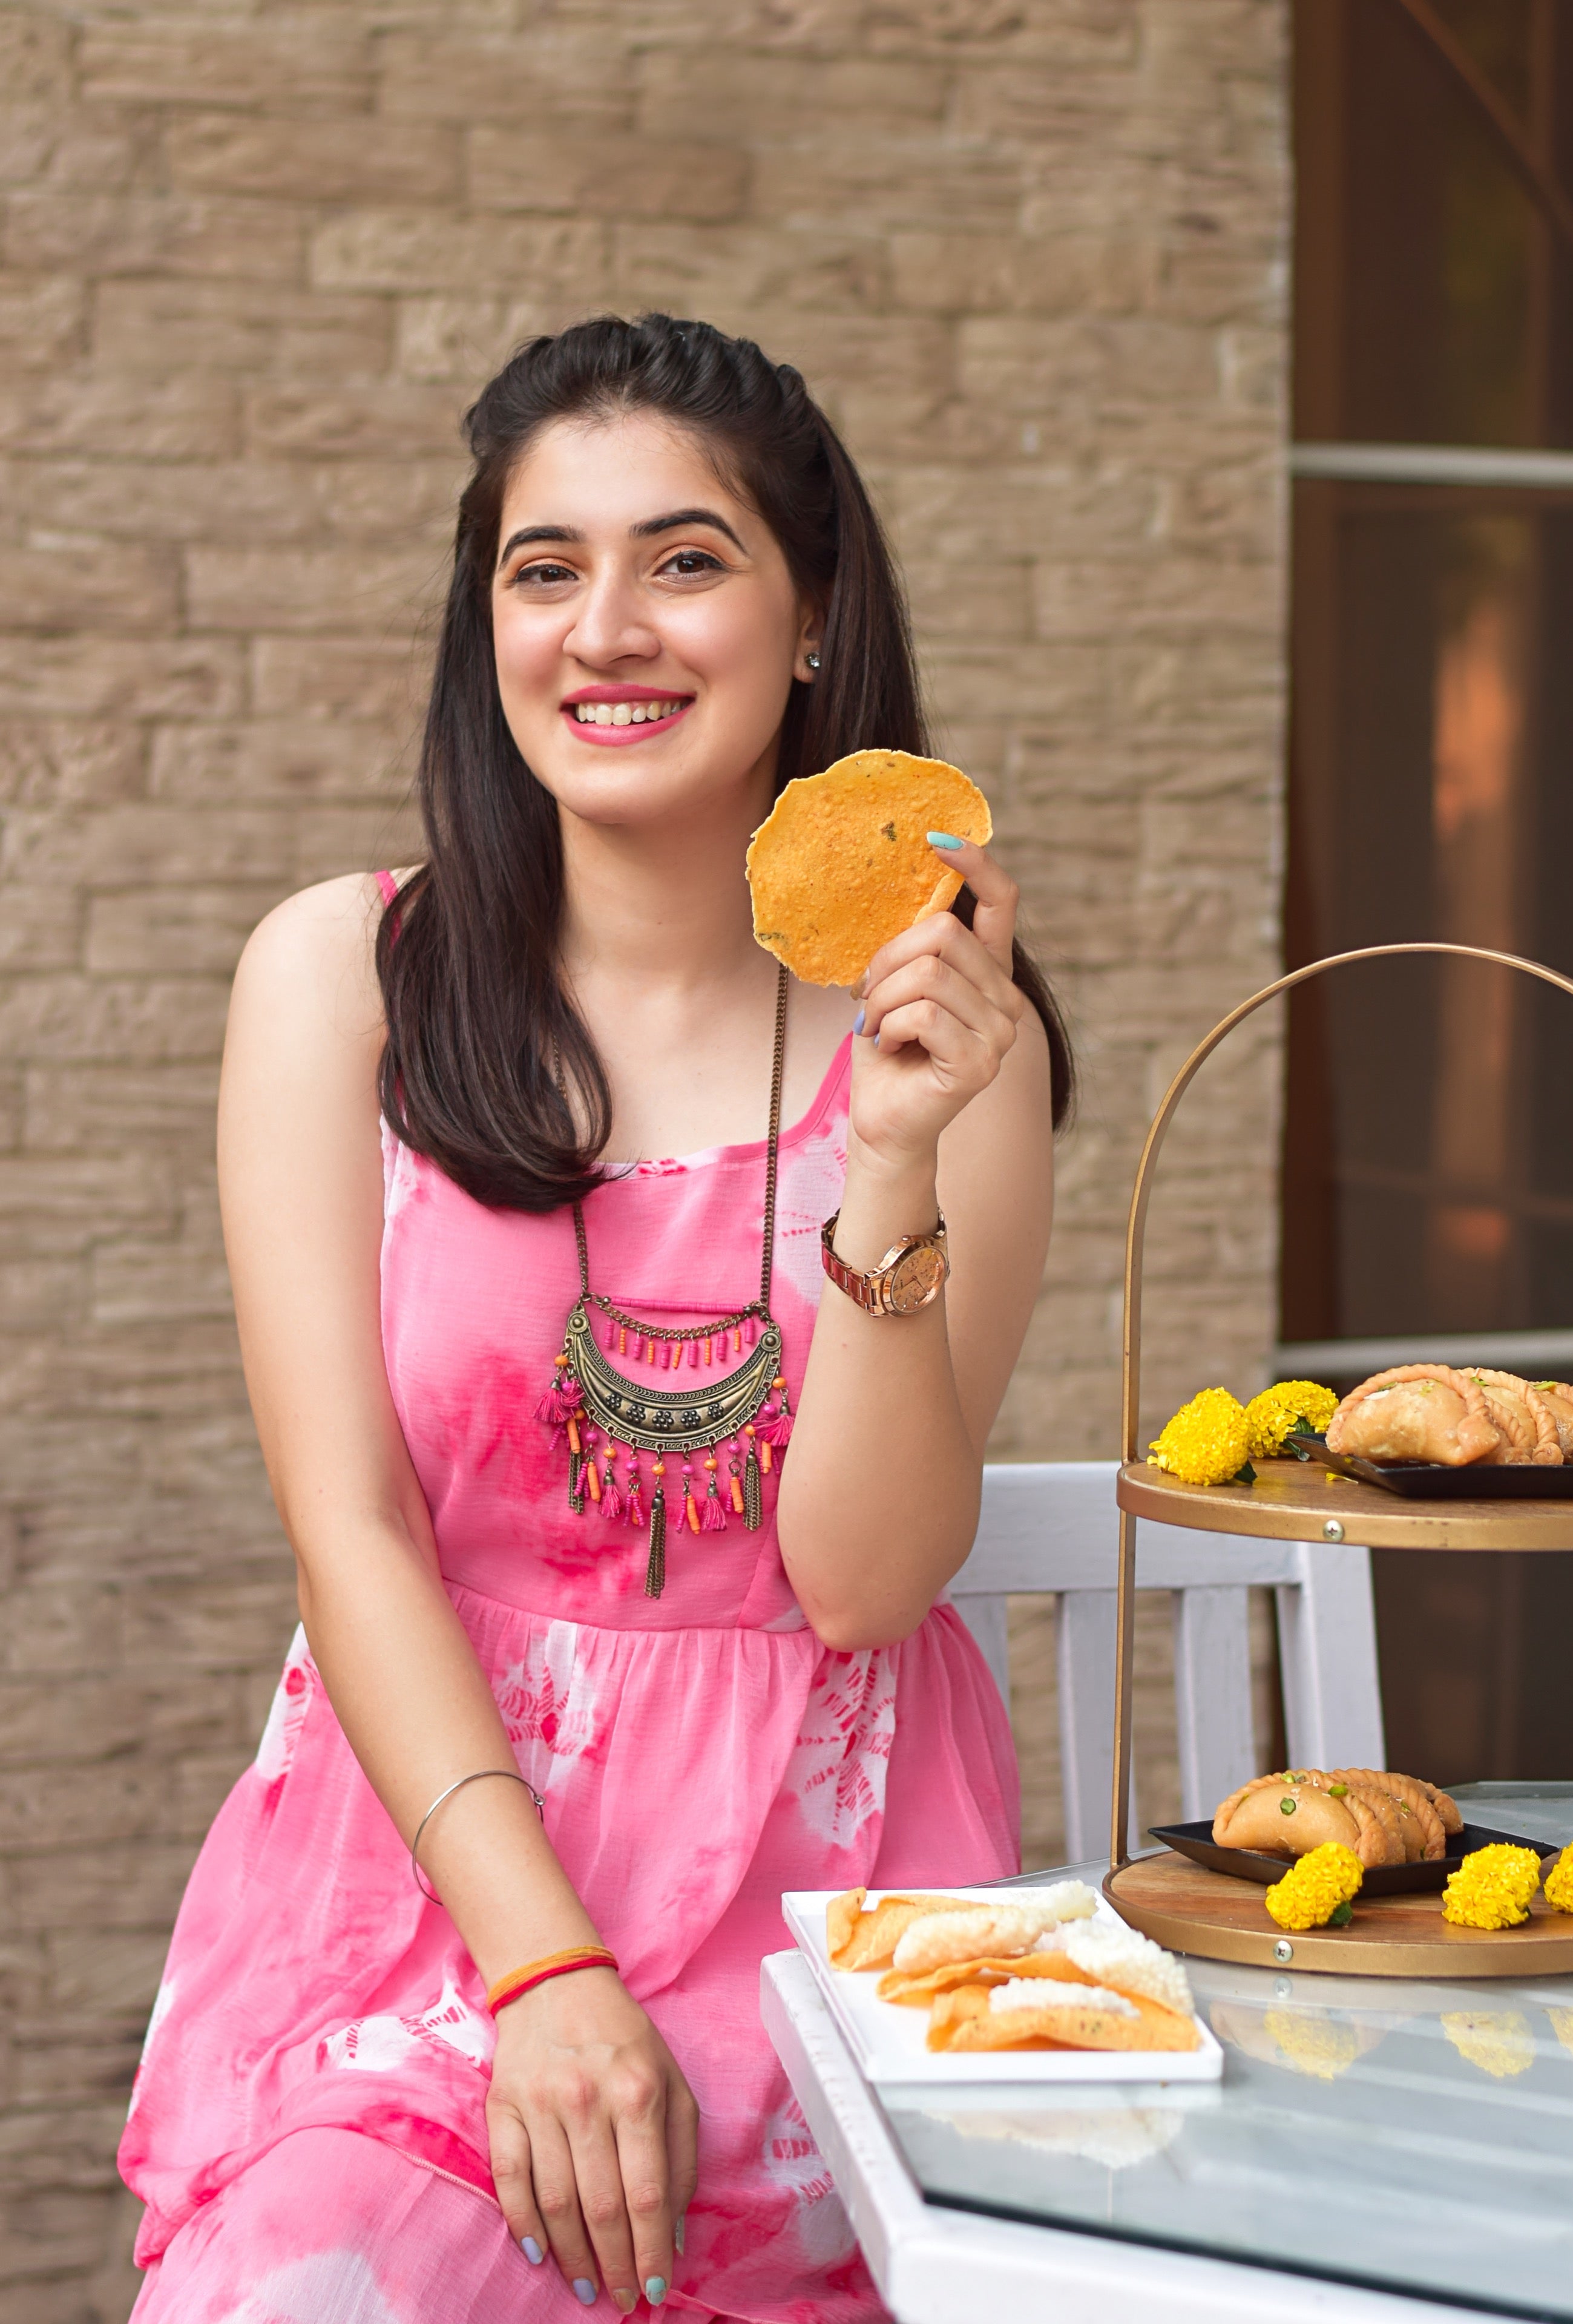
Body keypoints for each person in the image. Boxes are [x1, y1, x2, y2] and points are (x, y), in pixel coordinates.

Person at [117, 313, 1069, 2321]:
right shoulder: (345, 981)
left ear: (811, 623)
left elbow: (868, 1585)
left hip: (831, 1917)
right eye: (545, 571)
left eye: (687, 561)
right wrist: (544, 1970)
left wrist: (890, 1157)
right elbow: (349, 1531)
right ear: (490, 630)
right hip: (436, 1901)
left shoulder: (954, 1027)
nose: (606, 628)